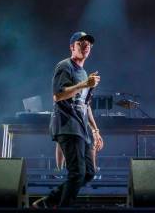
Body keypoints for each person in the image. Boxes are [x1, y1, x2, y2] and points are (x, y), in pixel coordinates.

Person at [32, 31, 104, 208]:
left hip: (81, 128)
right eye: (81, 43)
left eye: (88, 44)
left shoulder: (84, 72)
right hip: (67, 126)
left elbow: (85, 105)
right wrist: (84, 84)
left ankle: (48, 202)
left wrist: (95, 130)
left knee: (88, 173)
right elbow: (58, 95)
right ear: (72, 47)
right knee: (77, 173)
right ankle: (61, 207)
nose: (85, 46)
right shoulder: (65, 66)